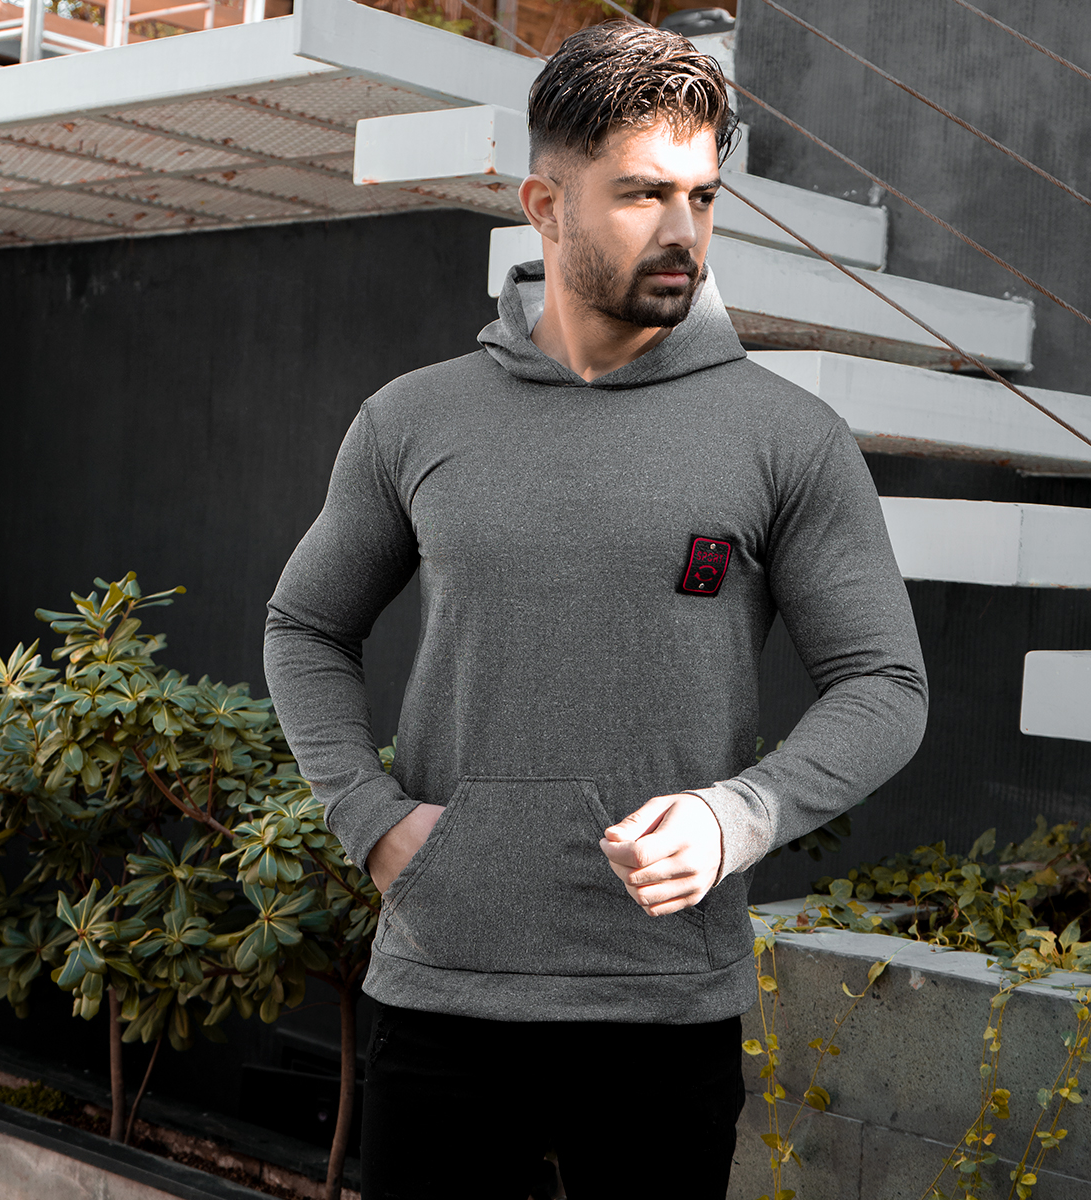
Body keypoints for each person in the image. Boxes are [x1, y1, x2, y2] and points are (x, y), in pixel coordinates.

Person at [264, 21, 927, 1199]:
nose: (683, 231)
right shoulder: (413, 420)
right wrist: (369, 817)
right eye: (640, 194)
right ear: (546, 204)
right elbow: (306, 626)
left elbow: (885, 684)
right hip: (444, 995)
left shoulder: (788, 436)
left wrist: (738, 817)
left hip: (666, 1017)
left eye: (701, 196)